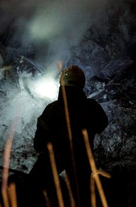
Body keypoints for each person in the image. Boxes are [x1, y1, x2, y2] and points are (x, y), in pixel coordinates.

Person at [28, 65, 108, 207]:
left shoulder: (51, 109)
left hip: (54, 157)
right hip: (81, 158)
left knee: (32, 187)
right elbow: (102, 124)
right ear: (81, 83)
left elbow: (38, 144)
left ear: (62, 83)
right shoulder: (92, 107)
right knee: (83, 197)